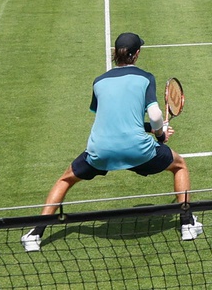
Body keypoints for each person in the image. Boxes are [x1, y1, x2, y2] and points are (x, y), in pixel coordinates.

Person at [24, 33, 199, 252]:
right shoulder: (146, 77)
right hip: (137, 150)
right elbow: (155, 115)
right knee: (179, 165)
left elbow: (115, 118)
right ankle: (187, 223)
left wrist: (151, 128)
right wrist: (160, 135)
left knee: (65, 180)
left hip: (101, 150)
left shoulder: (99, 81)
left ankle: (35, 234)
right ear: (137, 54)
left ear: (116, 54)